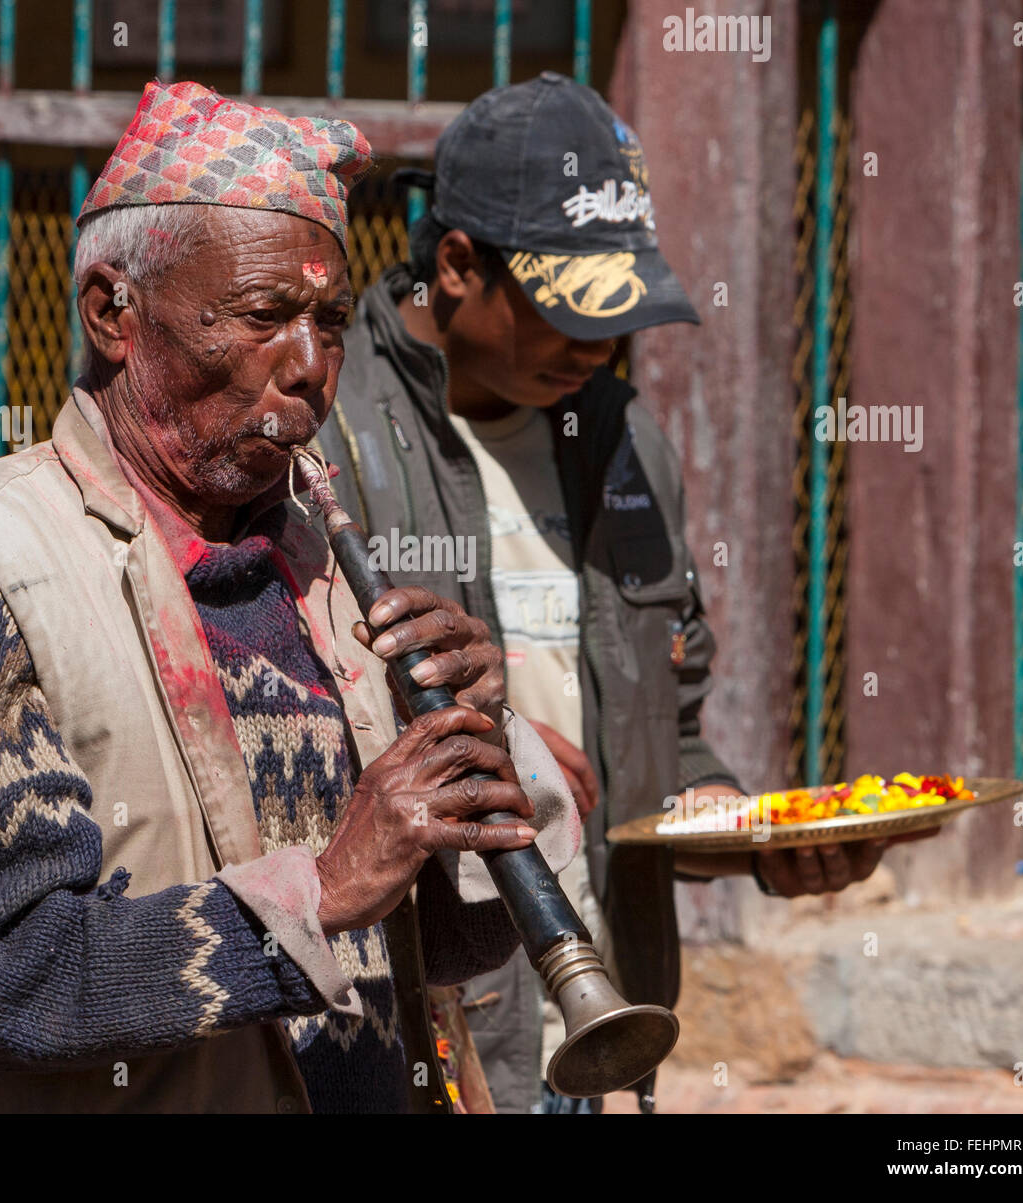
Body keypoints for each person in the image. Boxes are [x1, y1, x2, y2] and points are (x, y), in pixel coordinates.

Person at [0, 80, 580, 1114]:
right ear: (114, 312)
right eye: (262, 317)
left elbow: (441, 944)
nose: (309, 367)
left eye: (331, 321)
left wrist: (482, 760)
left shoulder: (325, 573)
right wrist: (321, 893)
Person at [318, 72, 892, 1114]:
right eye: (565, 311)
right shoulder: (332, 430)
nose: (597, 347)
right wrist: (501, 746)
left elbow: (663, 725)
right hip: (427, 1025)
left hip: (606, 1021)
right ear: (455, 265)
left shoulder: (626, 443)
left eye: (618, 315)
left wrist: (739, 829)